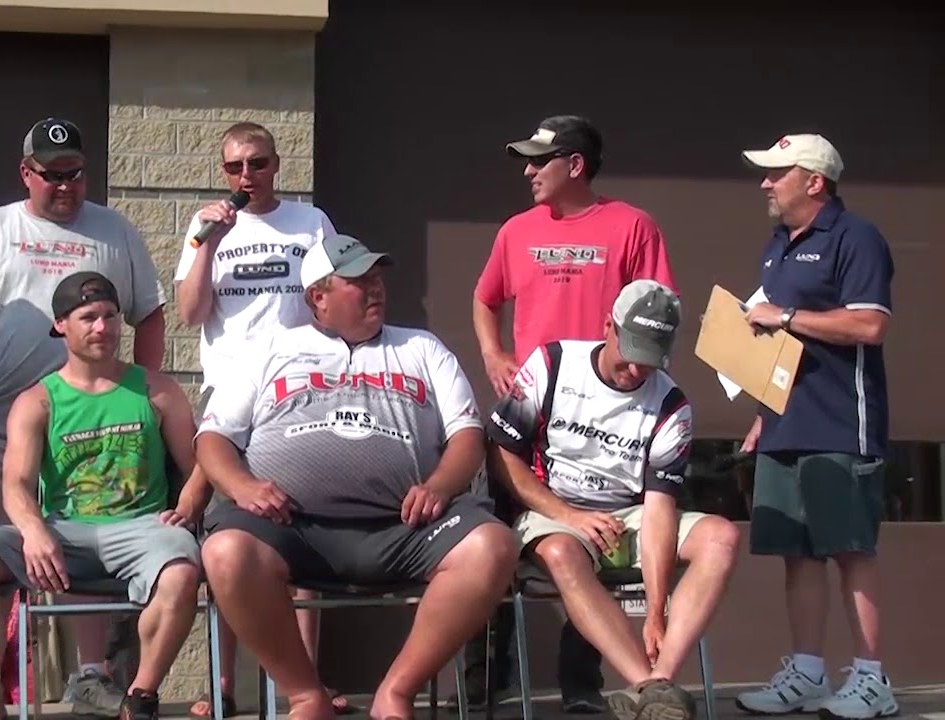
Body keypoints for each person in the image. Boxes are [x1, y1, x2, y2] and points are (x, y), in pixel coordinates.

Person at [197, 233, 520, 720]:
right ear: (318, 297)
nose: (375, 289)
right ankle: (305, 695)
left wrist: (440, 485)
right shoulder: (271, 349)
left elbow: (467, 436)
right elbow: (213, 438)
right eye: (358, 281)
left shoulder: (421, 348)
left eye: (377, 279)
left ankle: (397, 692)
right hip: (292, 528)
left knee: (492, 546)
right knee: (225, 551)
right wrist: (242, 486)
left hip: (403, 527)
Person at [0, 118, 167, 716]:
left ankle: (90, 676)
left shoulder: (114, 229)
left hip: (93, 420)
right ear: (26, 173)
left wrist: (137, 396)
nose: (65, 185)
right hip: (1, 421)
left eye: (75, 173)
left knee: (87, 531)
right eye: (52, 175)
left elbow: (148, 314)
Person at [470, 114, 678, 713]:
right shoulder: (516, 230)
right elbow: (485, 299)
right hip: (529, 413)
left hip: (602, 418)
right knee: (491, 539)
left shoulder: (632, 226)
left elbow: (658, 309)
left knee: (595, 541)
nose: (528, 172)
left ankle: (581, 689)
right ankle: (485, 680)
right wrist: (494, 354)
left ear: (576, 165)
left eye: (540, 161)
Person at [0, 271, 206, 720]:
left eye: (110, 316)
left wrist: (188, 505)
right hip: (64, 534)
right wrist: (33, 530)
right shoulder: (37, 400)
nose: (102, 327)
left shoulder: (156, 390)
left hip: (143, 531)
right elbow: (15, 483)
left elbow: (200, 464)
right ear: (60, 325)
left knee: (183, 573)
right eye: (88, 317)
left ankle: (140, 696)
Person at [486, 280, 739, 720]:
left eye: (650, 359)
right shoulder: (551, 364)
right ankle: (648, 686)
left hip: (630, 514)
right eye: (631, 352)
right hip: (553, 506)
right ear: (608, 326)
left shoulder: (671, 405)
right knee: (562, 553)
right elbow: (502, 456)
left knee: (722, 537)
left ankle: (659, 682)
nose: (637, 370)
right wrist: (570, 516)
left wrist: (656, 610)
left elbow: (659, 510)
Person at [172, 122, 348, 717]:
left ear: (276, 164)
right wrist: (209, 243)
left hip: (298, 393)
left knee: (300, 532)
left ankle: (307, 684)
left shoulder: (310, 222)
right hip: (230, 396)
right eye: (234, 167)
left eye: (257, 163)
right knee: (230, 539)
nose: (246, 176)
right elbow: (190, 312)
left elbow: (334, 298)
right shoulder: (205, 226)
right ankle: (221, 684)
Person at [733, 134, 898, 720]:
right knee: (797, 554)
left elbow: (869, 326)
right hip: (785, 423)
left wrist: (784, 315)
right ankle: (806, 673)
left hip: (841, 425)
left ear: (814, 181)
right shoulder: (777, 246)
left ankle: (873, 681)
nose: (765, 183)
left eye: (777, 173)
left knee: (850, 549)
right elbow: (776, 343)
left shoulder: (856, 237)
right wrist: (761, 414)